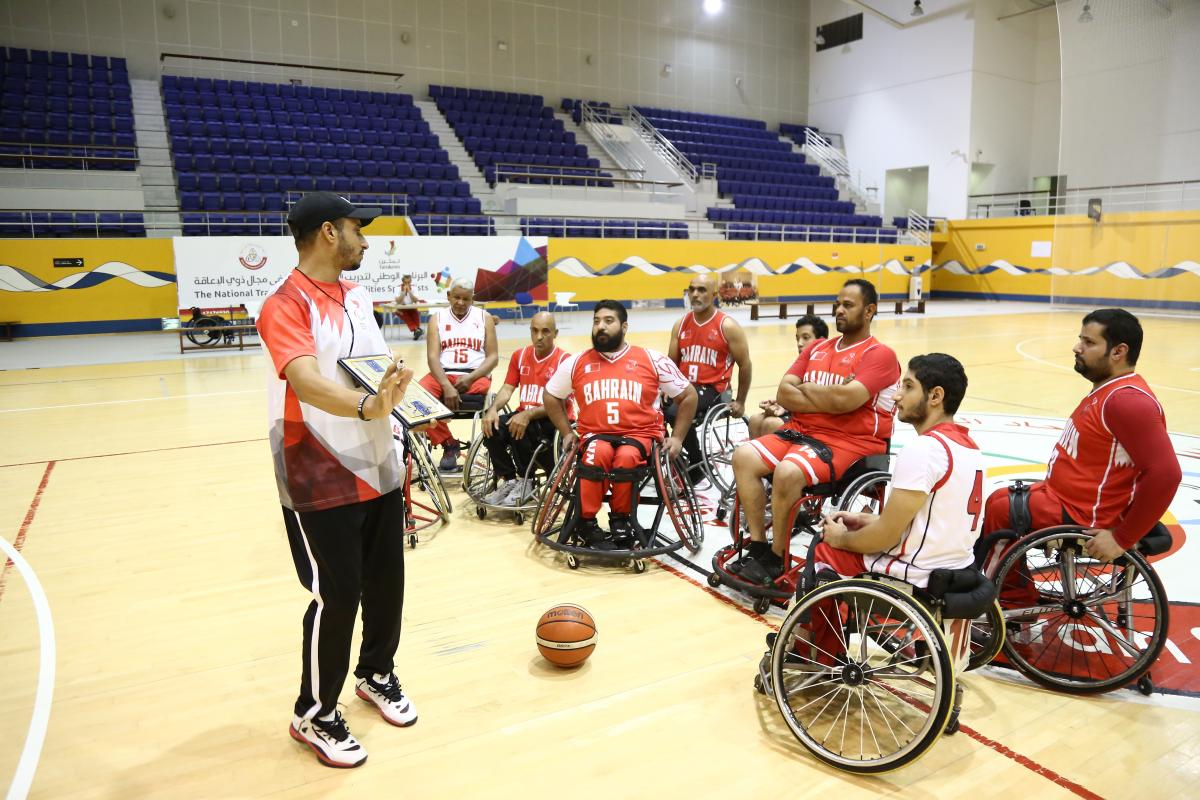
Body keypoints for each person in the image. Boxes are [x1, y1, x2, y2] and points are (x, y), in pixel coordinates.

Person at [256, 192, 418, 770]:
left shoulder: (355, 295)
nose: (366, 240)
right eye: (357, 228)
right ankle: (314, 711)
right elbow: (306, 382)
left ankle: (375, 672)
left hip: (377, 461)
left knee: (386, 584)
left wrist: (398, 393)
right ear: (328, 232)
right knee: (337, 594)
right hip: (316, 469)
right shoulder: (283, 305)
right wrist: (370, 407)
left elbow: (366, 372)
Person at [981, 309, 1181, 570]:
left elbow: (1166, 474)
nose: (1077, 347)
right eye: (1080, 339)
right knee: (999, 499)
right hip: (1067, 499)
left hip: (1086, 513)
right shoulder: (1109, 389)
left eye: (1089, 342)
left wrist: (1122, 538)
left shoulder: (1127, 401)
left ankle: (1011, 601)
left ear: (1118, 352)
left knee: (1002, 509)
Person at [731, 279, 900, 585]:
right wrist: (829, 396)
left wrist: (809, 391)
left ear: (870, 311)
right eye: (838, 304)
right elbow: (785, 393)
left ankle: (777, 556)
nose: (839, 310)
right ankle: (759, 548)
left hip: (851, 443)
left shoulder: (880, 355)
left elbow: (847, 401)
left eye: (848, 305)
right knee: (743, 456)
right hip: (802, 431)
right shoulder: (816, 347)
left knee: (787, 472)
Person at [544, 300, 697, 550]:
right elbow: (551, 395)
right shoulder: (577, 362)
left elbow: (688, 395)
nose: (600, 327)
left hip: (640, 434)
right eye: (596, 321)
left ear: (624, 326)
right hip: (595, 435)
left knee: (627, 457)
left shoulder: (652, 359)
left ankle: (621, 520)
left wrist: (678, 438)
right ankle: (586, 522)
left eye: (608, 321)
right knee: (596, 455)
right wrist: (566, 431)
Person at [479, 311, 571, 507]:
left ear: (555, 333)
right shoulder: (519, 356)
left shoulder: (565, 360)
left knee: (521, 425)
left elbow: (559, 403)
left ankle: (526, 481)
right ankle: (510, 479)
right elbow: (507, 388)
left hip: (553, 422)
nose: (539, 336)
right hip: (523, 418)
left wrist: (528, 414)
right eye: (535, 331)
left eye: (545, 331)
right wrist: (493, 409)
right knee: (492, 426)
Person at [666, 274, 752, 480]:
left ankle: (697, 464)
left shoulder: (727, 326)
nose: (695, 294)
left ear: (714, 295)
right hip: (685, 386)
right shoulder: (681, 324)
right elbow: (670, 364)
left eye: (702, 290)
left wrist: (740, 401)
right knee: (649, 406)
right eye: (691, 289)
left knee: (674, 412)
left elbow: (745, 365)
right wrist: (661, 389)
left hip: (713, 390)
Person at [418, 278, 499, 472]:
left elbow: (493, 358)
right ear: (448, 296)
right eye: (456, 297)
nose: (461, 302)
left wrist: (470, 378)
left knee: (482, 388)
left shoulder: (484, 317)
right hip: (443, 374)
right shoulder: (436, 319)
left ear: (472, 299)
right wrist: (446, 385)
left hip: (475, 375)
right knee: (417, 396)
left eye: (466, 298)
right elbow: (432, 358)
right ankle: (449, 443)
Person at [747, 314, 829, 438]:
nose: (799, 343)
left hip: (815, 420)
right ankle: (754, 456)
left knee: (771, 423)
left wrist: (786, 406)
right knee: (755, 420)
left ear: (821, 340)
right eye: (797, 338)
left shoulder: (828, 364)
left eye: (805, 338)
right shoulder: (800, 364)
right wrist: (779, 404)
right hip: (796, 412)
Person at [393, 274, 426, 340]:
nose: (407, 284)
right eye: (405, 282)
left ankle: (417, 331)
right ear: (402, 282)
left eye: (408, 282)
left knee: (415, 313)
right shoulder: (397, 288)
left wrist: (410, 292)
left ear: (410, 282)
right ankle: (417, 330)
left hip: (411, 308)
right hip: (400, 309)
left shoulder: (414, 288)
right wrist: (403, 292)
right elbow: (398, 301)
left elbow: (415, 300)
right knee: (403, 314)